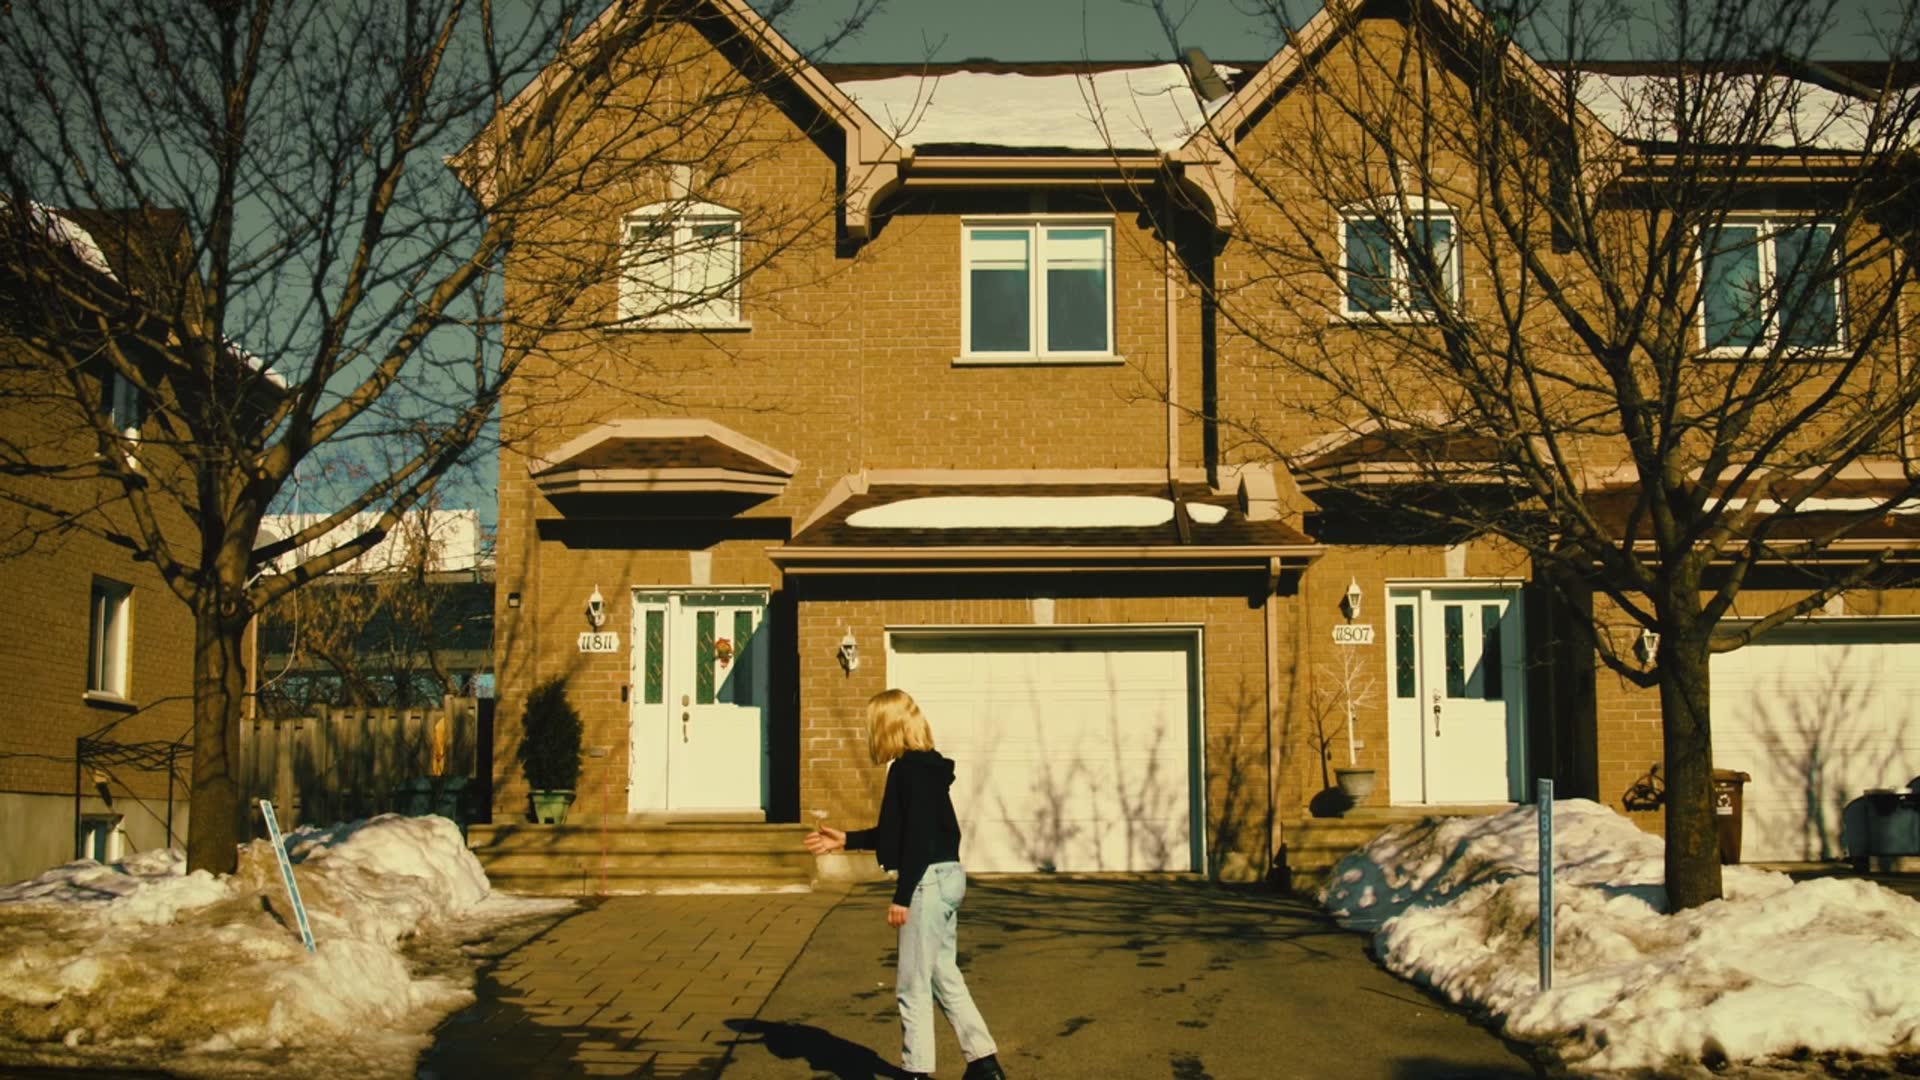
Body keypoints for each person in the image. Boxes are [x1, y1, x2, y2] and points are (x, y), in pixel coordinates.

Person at [804, 689, 1007, 1080]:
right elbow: (901, 832)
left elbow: (917, 840)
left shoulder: (907, 771)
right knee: (943, 974)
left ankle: (916, 1072)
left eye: (872, 726)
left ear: (887, 726)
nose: (870, 734)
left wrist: (902, 896)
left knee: (912, 985)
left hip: (926, 883)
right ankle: (984, 1063)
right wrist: (846, 839)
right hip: (947, 876)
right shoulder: (928, 768)